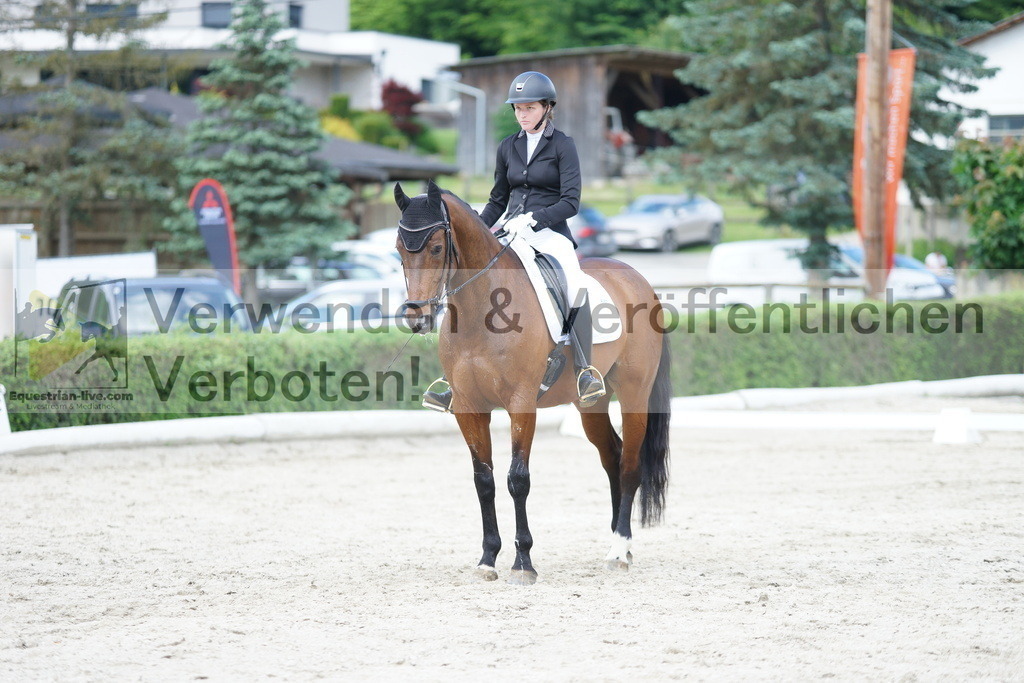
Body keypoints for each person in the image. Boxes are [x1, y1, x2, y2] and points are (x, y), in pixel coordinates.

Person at [422, 70, 606, 412]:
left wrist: (536, 219)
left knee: (574, 282)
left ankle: (585, 369)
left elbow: (571, 201)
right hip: (510, 230)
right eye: (518, 108)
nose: (522, 114)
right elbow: (497, 200)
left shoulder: (563, 145)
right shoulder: (508, 146)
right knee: (467, 281)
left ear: (547, 108)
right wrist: (477, 230)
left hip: (550, 233)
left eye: (530, 108)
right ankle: (454, 375)